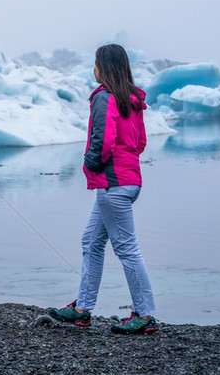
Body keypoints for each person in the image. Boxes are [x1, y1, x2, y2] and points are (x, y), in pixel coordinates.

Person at [48, 44, 159, 334]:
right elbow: (140, 142)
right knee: (91, 242)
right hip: (129, 181)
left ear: (104, 67)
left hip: (113, 184)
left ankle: (145, 315)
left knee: (127, 249)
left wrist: (91, 161)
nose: (93, 68)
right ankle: (82, 309)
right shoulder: (133, 99)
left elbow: (103, 139)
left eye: (96, 63)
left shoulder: (104, 98)